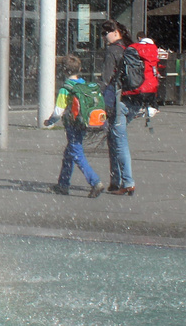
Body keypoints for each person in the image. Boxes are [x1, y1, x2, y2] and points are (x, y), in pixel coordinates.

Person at [42, 55, 105, 198]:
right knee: (69, 153)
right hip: (84, 122)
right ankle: (63, 184)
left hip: (72, 124)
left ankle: (95, 182)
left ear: (63, 71)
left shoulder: (66, 88)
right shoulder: (84, 84)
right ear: (80, 69)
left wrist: (49, 122)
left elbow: (58, 112)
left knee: (76, 152)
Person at [100, 18, 141, 195]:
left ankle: (127, 182)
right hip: (133, 100)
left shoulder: (112, 51)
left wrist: (95, 97)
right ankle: (115, 180)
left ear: (116, 32)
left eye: (106, 32)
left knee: (119, 141)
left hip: (119, 101)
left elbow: (105, 79)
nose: (104, 36)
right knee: (115, 139)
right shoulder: (129, 48)